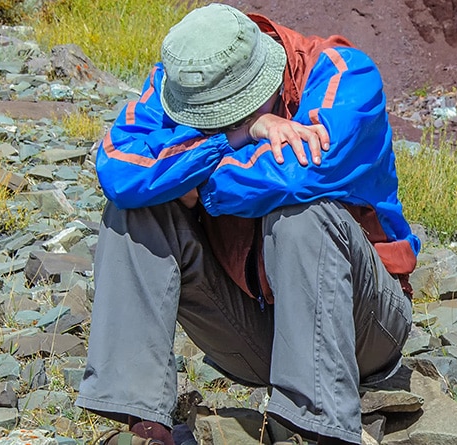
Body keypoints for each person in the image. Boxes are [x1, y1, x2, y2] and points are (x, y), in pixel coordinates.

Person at [75, 4, 419, 444]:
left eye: (233, 112)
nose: (219, 122)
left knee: (302, 212)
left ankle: (317, 429)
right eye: (207, 118)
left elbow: (299, 171)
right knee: (134, 210)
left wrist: (189, 180)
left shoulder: (346, 76)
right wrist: (239, 134)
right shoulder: (180, 80)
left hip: (364, 329)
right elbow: (118, 169)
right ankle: (145, 426)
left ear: (270, 74)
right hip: (254, 335)